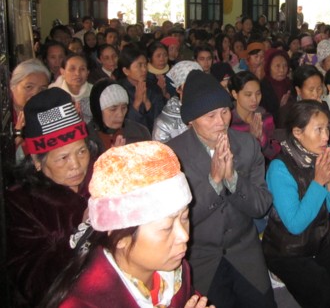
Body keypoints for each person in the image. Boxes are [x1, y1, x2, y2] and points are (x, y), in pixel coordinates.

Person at [43, 141, 212, 308]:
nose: (184, 236)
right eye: (167, 228)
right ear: (121, 238)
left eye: (184, 217)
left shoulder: (173, 271)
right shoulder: (83, 302)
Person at [167, 70, 276, 308]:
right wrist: (214, 182)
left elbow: (261, 205)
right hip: (200, 257)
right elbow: (172, 222)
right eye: (210, 116)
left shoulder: (247, 145)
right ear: (191, 120)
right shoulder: (172, 155)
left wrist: (233, 180)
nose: (221, 122)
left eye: (225, 112)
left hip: (244, 249)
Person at [262, 101, 330, 307]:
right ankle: (276, 271)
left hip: (321, 237)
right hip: (288, 248)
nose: (326, 136)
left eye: (327, 128)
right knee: (326, 299)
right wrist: (318, 182)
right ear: (297, 133)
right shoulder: (280, 168)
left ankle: (317, 266)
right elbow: (295, 225)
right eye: (318, 129)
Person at [6, 88, 93, 307]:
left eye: (81, 152)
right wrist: (82, 234)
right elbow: (32, 282)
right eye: (63, 158)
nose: (76, 165)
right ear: (37, 161)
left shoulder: (98, 180)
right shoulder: (21, 204)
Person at [87, 79, 151, 154]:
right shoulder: (86, 138)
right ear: (98, 110)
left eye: (124, 108)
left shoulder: (140, 133)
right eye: (113, 109)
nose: (120, 114)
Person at [229, 71, 280, 161]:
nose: (254, 100)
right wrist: (251, 140)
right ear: (235, 94)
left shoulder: (265, 118)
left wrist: (262, 138)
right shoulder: (229, 122)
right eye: (248, 95)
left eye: (258, 94)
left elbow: (274, 153)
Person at [117, 44, 165, 131]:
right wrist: (137, 102)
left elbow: (161, 122)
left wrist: (147, 102)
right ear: (126, 71)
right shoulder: (118, 91)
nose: (144, 69)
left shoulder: (154, 88)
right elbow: (122, 125)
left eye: (145, 65)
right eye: (139, 65)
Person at [10, 58, 51, 160]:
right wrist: (17, 134)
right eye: (29, 87)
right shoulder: (5, 119)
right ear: (13, 87)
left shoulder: (48, 115)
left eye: (42, 89)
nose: (35, 94)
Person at [153, 61, 202, 143]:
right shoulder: (164, 123)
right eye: (189, 86)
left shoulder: (210, 111)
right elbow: (161, 150)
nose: (195, 89)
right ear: (178, 89)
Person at [50, 53, 93, 123]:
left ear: (87, 73)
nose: (77, 73)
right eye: (72, 69)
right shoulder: (52, 94)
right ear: (62, 72)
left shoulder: (95, 92)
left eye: (82, 69)